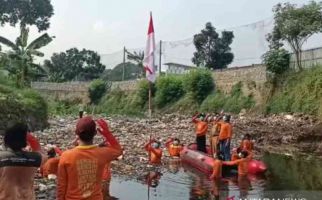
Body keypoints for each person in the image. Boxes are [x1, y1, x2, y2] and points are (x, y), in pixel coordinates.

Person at [57, 117, 122, 200]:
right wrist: (107, 133)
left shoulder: (66, 156)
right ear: (95, 133)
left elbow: (61, 186)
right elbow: (118, 150)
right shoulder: (102, 153)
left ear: (76, 133)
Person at [0, 123, 47, 200]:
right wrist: (30, 138)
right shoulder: (34, 158)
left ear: (6, 140)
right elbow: (42, 153)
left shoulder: (1, 158)